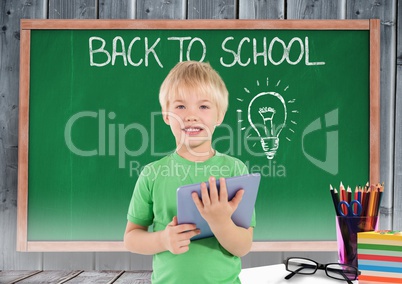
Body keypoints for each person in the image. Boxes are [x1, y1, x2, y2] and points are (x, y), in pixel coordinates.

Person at [124, 61, 255, 283]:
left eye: (203, 107)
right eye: (180, 106)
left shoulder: (235, 170)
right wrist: (163, 240)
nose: (191, 115)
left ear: (219, 116)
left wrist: (220, 222)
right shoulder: (152, 174)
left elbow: (243, 247)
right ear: (166, 116)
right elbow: (131, 238)